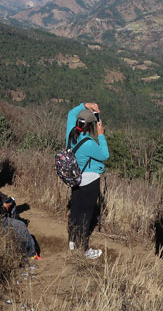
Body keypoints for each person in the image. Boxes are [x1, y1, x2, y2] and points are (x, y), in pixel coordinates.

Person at [65, 102, 109, 260]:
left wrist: (85, 105)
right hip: (89, 181)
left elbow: (71, 113)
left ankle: (72, 240)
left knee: (75, 210)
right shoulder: (88, 143)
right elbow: (105, 155)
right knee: (86, 215)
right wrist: (101, 134)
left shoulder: (71, 134)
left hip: (75, 178)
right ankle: (83, 248)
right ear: (91, 126)